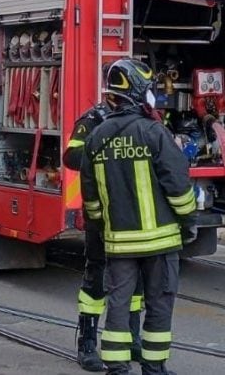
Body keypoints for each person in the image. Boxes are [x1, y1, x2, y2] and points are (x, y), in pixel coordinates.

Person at [82, 59, 195, 375]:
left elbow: (91, 200)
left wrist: (103, 229)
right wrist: (189, 222)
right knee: (159, 303)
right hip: (161, 244)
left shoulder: (96, 138)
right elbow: (178, 186)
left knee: (118, 304)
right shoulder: (154, 133)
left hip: (119, 245)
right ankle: (153, 368)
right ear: (138, 94)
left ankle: (117, 368)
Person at [63, 90, 143, 371]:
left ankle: (132, 339)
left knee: (136, 278)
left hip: (132, 213)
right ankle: (86, 344)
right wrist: (104, 147)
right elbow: (71, 155)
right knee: (96, 277)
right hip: (102, 212)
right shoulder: (93, 119)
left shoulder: (141, 118)